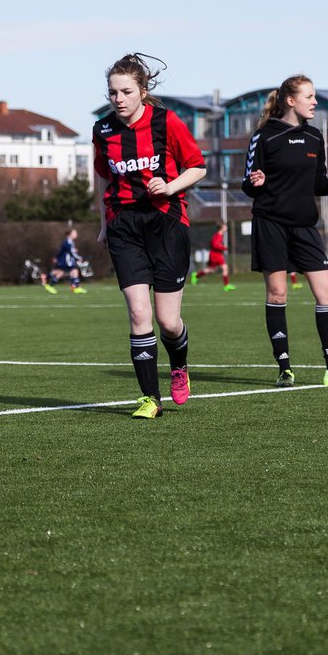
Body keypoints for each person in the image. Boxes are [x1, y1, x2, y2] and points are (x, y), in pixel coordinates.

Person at [242, 74, 328, 389]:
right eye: (310, 96)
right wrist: (253, 183)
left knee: (327, 292)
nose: (315, 102)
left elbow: (319, 184)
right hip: (270, 223)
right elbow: (247, 182)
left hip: (305, 226)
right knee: (278, 294)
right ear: (291, 100)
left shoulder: (315, 137)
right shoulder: (264, 137)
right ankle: (284, 370)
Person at [94, 53, 206, 419]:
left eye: (126, 91)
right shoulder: (103, 130)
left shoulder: (166, 121)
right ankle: (149, 398)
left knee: (168, 322)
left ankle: (179, 366)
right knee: (138, 313)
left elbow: (198, 167)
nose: (118, 99)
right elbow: (103, 177)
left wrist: (170, 186)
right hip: (124, 226)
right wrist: (103, 222)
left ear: (142, 91)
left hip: (166, 223)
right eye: (113, 92)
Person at [191, 221, 235, 291]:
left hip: (216, 254)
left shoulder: (220, 235)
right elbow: (215, 245)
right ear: (222, 227)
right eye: (225, 226)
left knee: (211, 269)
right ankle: (226, 286)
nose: (226, 227)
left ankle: (196, 276)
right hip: (215, 255)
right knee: (225, 267)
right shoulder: (218, 235)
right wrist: (223, 248)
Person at [49, 228, 87, 294]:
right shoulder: (68, 242)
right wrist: (79, 258)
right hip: (66, 261)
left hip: (67, 260)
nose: (76, 234)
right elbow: (71, 252)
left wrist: (56, 257)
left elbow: (64, 251)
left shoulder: (69, 241)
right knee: (62, 273)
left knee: (72, 272)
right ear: (70, 234)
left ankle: (75, 287)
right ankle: (50, 284)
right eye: (74, 233)